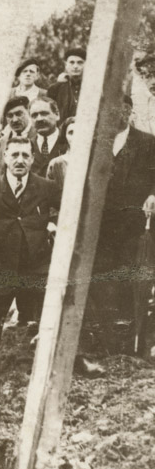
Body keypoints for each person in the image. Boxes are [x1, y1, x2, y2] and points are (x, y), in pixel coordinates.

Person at [0, 136, 61, 388]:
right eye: (15, 155)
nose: (20, 160)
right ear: (5, 157)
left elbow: (68, 214)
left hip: (36, 269)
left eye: (25, 155)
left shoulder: (48, 187)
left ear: (33, 159)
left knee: (49, 324)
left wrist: (53, 226)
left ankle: (45, 383)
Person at [84, 96, 155, 356]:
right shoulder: (95, 144)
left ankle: (131, 344)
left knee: (131, 276)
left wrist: (153, 194)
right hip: (101, 225)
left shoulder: (148, 142)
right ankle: (105, 343)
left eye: (121, 110)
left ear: (129, 111)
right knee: (103, 278)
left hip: (134, 223)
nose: (116, 115)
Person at [0, 96, 37, 179]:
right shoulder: (0, 144)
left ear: (28, 112)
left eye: (19, 114)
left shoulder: (41, 138)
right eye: (10, 116)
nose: (14, 120)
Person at [28, 96, 68, 176]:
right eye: (34, 115)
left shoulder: (68, 142)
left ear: (57, 115)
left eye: (44, 113)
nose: (39, 119)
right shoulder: (26, 146)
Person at [48, 47, 86, 123]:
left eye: (80, 62)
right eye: (72, 62)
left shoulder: (92, 87)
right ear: (66, 65)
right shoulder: (55, 89)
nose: (75, 66)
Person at [46, 117, 76, 187]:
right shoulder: (56, 164)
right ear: (65, 136)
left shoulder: (93, 162)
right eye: (71, 133)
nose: (75, 137)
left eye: (79, 132)